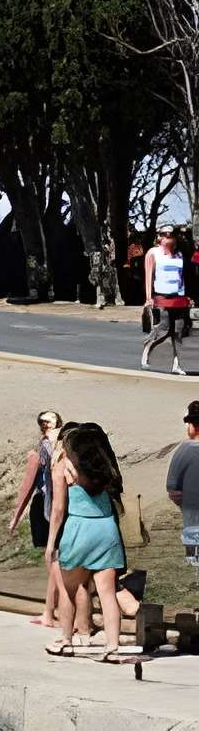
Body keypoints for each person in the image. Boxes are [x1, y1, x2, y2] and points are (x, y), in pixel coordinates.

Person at [49, 420, 130, 658]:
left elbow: (58, 509)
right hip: (106, 529)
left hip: (78, 528)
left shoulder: (64, 465)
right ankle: (112, 647)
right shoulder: (104, 468)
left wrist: (52, 542)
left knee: (68, 591)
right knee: (107, 593)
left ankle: (66, 640)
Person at [8, 411, 65, 632]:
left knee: (54, 563)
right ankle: (51, 611)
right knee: (55, 561)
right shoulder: (60, 451)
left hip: (47, 506)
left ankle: (53, 612)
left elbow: (27, 486)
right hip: (57, 507)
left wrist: (15, 517)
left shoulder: (43, 452)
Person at [144, 227, 192, 373]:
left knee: (178, 331)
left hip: (178, 297)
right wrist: (148, 298)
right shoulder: (153, 253)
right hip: (161, 297)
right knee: (162, 330)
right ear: (159, 237)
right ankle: (147, 350)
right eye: (164, 234)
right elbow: (148, 276)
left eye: (171, 234)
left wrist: (187, 296)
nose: (168, 237)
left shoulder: (179, 254)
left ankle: (176, 365)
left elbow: (183, 276)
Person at [170, 401, 199, 580]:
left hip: (192, 517)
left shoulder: (184, 450)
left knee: (193, 557)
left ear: (193, 426)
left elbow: (172, 486)